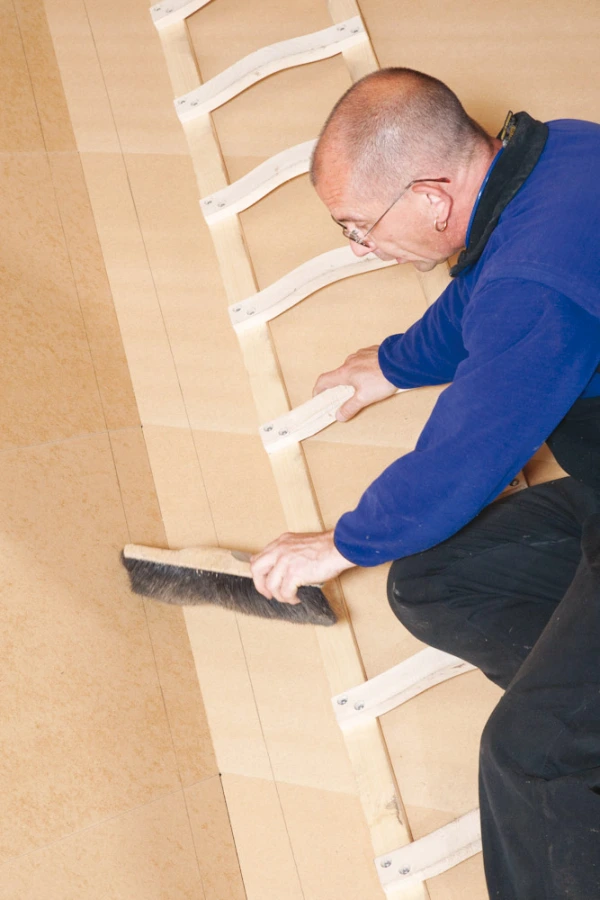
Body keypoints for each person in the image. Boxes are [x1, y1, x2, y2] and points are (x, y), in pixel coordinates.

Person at [250, 67, 600, 898]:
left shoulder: (533, 291)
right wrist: (395, 365)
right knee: (440, 578)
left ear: (431, 198)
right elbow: (484, 291)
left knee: (532, 754)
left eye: (359, 229)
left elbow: (463, 461)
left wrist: (339, 543)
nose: (358, 249)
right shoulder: (563, 155)